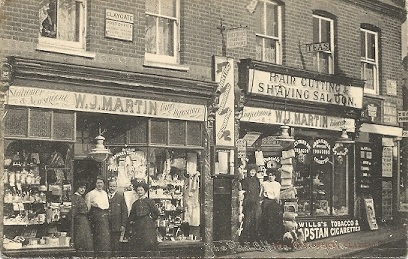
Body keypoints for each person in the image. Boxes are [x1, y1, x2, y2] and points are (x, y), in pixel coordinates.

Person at [125, 180, 160, 255]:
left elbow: (156, 212)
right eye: (138, 190)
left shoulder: (149, 202)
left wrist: (151, 219)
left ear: (145, 191)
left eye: (141, 190)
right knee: (139, 245)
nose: (139, 192)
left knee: (148, 243)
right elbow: (132, 215)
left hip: (148, 225)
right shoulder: (135, 203)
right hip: (138, 225)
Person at [85, 176, 111, 257]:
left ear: (103, 184)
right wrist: (92, 204)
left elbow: (106, 205)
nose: (99, 184)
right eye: (98, 183)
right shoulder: (90, 193)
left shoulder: (105, 193)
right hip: (96, 217)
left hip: (105, 217)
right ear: (95, 184)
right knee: (98, 236)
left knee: (105, 237)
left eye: (101, 183)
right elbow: (87, 208)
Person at [260, 168, 283, 243]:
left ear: (275, 176)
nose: (271, 177)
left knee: (275, 220)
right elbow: (261, 194)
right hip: (267, 202)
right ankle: (267, 239)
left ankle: (275, 238)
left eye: (272, 175)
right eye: (269, 175)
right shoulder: (264, 184)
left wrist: (278, 203)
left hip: (274, 203)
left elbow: (278, 195)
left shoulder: (277, 184)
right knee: (266, 220)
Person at [72, 181, 94, 256]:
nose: (82, 190)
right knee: (82, 238)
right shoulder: (75, 197)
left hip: (83, 220)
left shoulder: (80, 197)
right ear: (77, 188)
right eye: (81, 188)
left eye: (84, 188)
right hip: (80, 220)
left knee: (84, 238)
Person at [240, 164, 261, 242]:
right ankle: (246, 239)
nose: (252, 172)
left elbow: (258, 191)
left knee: (255, 219)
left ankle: (254, 238)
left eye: (254, 171)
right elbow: (243, 190)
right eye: (251, 171)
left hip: (255, 202)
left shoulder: (257, 180)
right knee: (247, 220)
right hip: (248, 202)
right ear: (248, 171)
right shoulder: (245, 180)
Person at [108, 178, 128, 256]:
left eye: (113, 186)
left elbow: (124, 212)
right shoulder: (105, 196)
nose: (112, 188)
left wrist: (123, 224)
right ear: (108, 187)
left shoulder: (120, 197)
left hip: (116, 226)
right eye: (110, 186)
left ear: (116, 187)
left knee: (116, 245)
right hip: (106, 225)